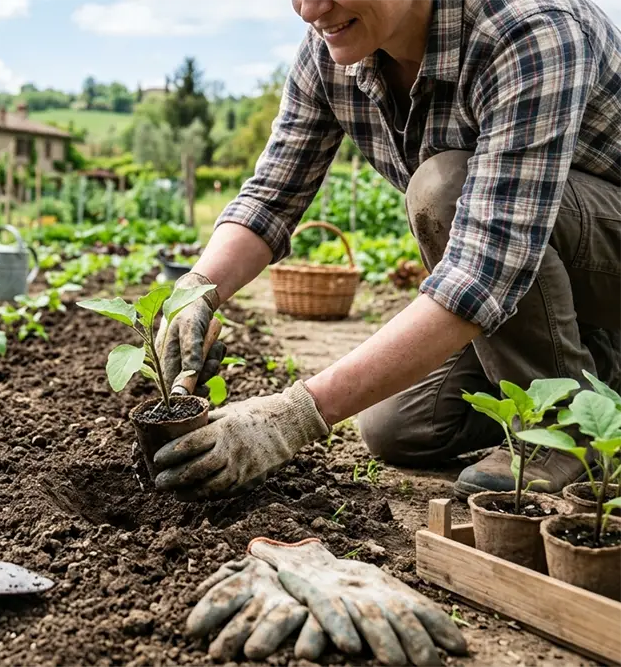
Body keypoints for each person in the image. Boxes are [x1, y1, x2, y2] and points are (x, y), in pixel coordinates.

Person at [153, 0, 621, 503]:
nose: (311, 10)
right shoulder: (334, 48)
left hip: (588, 260)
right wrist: (197, 289)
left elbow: (483, 271)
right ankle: (602, 369)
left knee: (444, 190)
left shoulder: (529, 29)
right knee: (400, 426)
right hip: (541, 268)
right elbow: (272, 195)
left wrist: (292, 416)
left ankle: (566, 433)